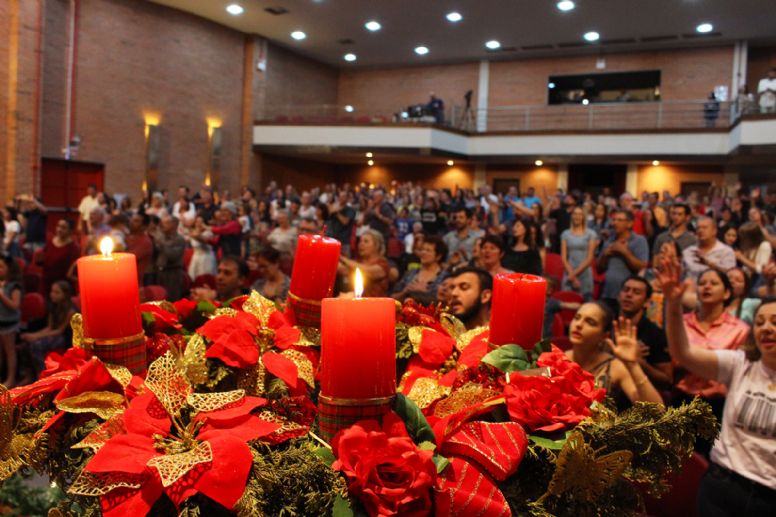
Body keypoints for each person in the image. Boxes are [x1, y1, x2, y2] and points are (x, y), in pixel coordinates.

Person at [659, 259, 776, 515]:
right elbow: (684, 353)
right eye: (760, 322)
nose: (767, 328)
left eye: (775, 322)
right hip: (723, 484)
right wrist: (674, 304)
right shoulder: (741, 363)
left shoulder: (736, 331)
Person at [565, 301, 663, 410]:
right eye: (577, 317)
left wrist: (632, 364)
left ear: (604, 335)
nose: (578, 324)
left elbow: (657, 410)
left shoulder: (615, 367)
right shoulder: (559, 359)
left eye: (590, 322)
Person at [617, 276, 672, 389]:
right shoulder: (606, 322)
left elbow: (667, 380)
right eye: (626, 290)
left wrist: (639, 363)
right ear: (619, 296)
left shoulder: (656, 334)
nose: (629, 294)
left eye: (636, 292)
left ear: (647, 302)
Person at [597, 209, 649, 312]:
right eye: (614, 220)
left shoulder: (639, 241)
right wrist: (604, 256)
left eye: (620, 220)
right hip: (607, 293)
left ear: (629, 224)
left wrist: (624, 252)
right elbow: (599, 269)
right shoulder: (609, 240)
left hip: (627, 297)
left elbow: (642, 266)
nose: (615, 223)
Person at [20, 280, 75, 376]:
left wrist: (36, 337)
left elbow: (59, 331)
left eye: (56, 292)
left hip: (64, 338)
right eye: (52, 291)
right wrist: (33, 335)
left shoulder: (70, 311)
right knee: (24, 345)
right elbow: (49, 328)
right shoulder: (53, 306)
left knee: (36, 345)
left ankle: (41, 374)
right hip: (53, 334)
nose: (52, 294)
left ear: (65, 294)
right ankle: (29, 375)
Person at [392, 235, 447, 302]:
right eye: (422, 249)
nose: (423, 252)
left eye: (428, 250)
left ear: (438, 256)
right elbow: (392, 298)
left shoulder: (445, 277)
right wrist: (405, 292)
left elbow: (445, 302)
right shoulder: (411, 273)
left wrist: (424, 293)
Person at [682, 216, 736, 282]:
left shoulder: (726, 251)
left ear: (714, 231)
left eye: (704, 227)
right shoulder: (688, 252)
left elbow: (730, 275)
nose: (700, 230)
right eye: (698, 228)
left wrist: (709, 264)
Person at [338, 229, 391, 297]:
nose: (361, 244)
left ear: (377, 245)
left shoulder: (383, 264)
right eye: (360, 241)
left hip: (376, 305)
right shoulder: (357, 262)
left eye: (366, 241)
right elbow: (341, 269)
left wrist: (340, 257)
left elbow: (370, 272)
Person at [560, 207, 597, 299]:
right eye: (575, 214)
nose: (577, 216)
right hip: (569, 271)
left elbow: (589, 258)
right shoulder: (565, 234)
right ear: (572, 216)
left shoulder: (591, 234)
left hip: (584, 273)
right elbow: (564, 257)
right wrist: (571, 274)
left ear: (584, 217)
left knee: (585, 303)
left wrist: (574, 274)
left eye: (580, 214)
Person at [40, 219, 81, 293]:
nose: (59, 229)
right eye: (58, 226)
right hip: (46, 283)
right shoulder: (50, 242)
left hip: (61, 288)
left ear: (70, 231)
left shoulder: (74, 248)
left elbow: (72, 272)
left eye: (63, 228)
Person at [0, 256, 22, 388]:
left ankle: (11, 378)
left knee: (9, 351)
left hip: (9, 324)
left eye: (1, 267)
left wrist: (1, 295)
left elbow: (15, 305)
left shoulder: (14, 286)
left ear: (9, 269)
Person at [153, 216, 187, 301]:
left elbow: (173, 256)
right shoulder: (161, 237)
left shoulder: (179, 240)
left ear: (175, 225)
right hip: (160, 272)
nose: (162, 225)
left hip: (173, 273)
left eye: (166, 223)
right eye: (162, 223)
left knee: (172, 300)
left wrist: (161, 244)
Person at [126, 212, 154, 284]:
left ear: (144, 226)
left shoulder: (146, 242)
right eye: (131, 220)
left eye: (136, 221)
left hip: (135, 283)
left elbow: (127, 259)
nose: (131, 222)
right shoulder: (127, 236)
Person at [327, 191, 356, 257]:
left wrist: (336, 212)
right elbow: (329, 218)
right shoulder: (335, 207)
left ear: (347, 198)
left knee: (345, 261)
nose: (341, 198)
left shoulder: (350, 209)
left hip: (344, 240)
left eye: (343, 196)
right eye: (340, 196)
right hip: (333, 238)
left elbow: (345, 222)